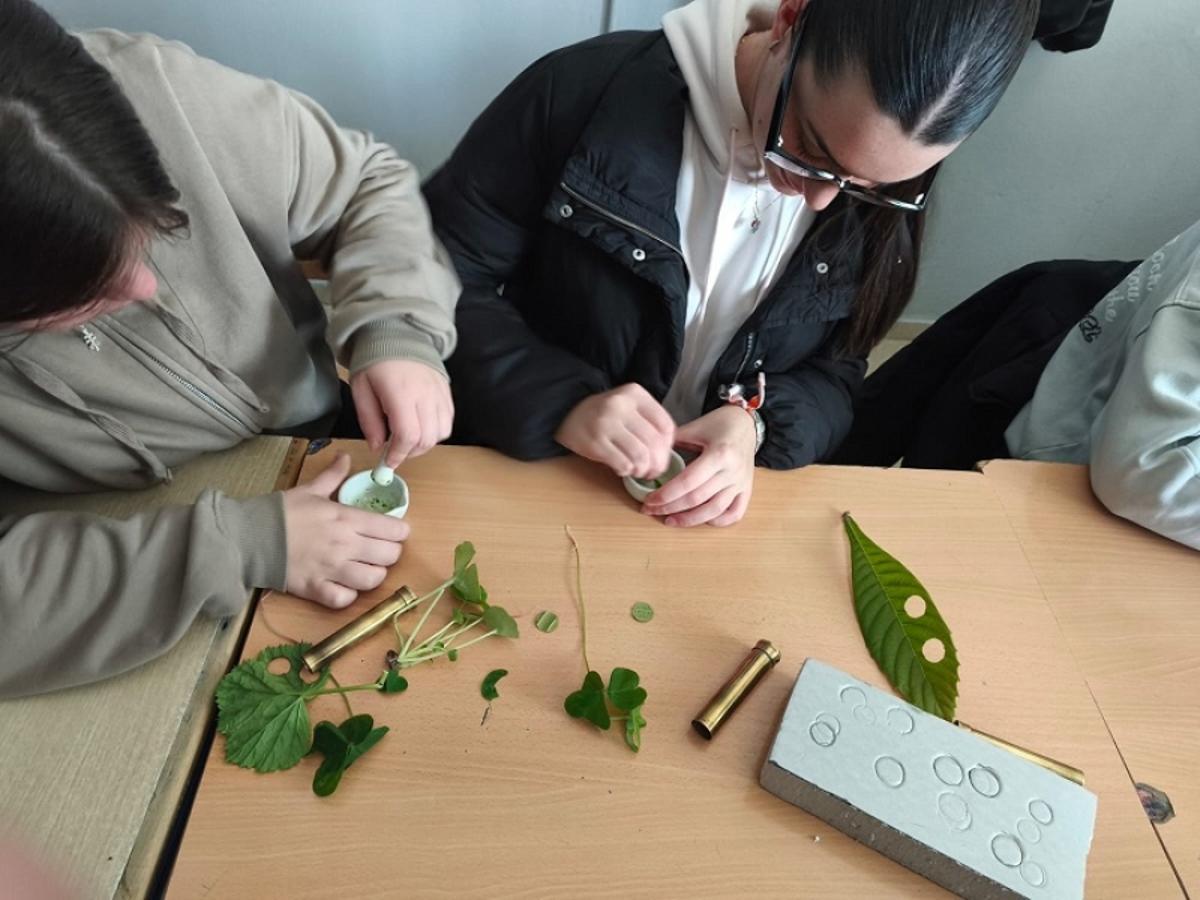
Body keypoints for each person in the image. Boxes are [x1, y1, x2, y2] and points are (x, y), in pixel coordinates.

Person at [424, 0, 1039, 529]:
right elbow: (427, 281)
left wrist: (755, 427)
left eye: (871, 186)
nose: (821, 199)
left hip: (708, 520)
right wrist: (564, 401)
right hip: (533, 480)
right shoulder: (581, 93)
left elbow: (839, 367)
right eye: (811, 148)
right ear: (790, 20)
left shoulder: (880, 180)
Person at [0, 0, 460, 697]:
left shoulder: (156, 88)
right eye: (83, 292)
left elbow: (369, 183)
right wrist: (237, 547)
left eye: (156, 231)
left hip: (310, 446)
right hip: (109, 560)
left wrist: (396, 327)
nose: (146, 286)